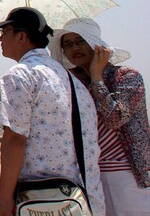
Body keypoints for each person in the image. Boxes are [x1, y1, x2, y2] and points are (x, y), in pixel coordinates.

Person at [0, 7, 105, 216]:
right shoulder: (73, 81)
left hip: (44, 201)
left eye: (4, 32)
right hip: (84, 200)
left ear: (21, 36)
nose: (0, 39)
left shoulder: (20, 75)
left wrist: (4, 198)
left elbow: (15, 139)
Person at [48, 18, 150, 214]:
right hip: (91, 175)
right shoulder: (73, 83)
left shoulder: (127, 77)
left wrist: (97, 77)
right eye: (68, 44)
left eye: (80, 41)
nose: (74, 48)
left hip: (127, 174)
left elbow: (115, 118)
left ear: (95, 43)